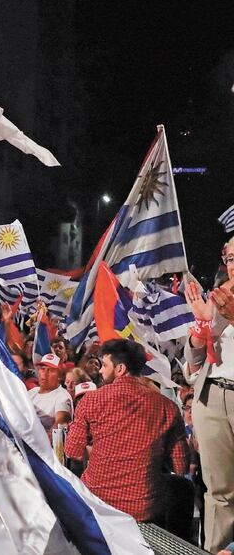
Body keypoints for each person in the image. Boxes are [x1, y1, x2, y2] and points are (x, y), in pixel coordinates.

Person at [65, 338, 189, 526]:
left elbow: (72, 451)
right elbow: (181, 465)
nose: (100, 370)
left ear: (120, 369)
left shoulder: (91, 400)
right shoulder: (168, 407)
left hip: (96, 502)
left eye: (104, 365)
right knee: (183, 488)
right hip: (143, 509)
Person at [184, 237, 234, 552]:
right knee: (218, 492)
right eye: (230, 257)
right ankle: (217, 549)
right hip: (212, 395)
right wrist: (200, 332)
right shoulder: (219, 296)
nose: (233, 264)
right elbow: (194, 365)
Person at [27, 353, 72, 434]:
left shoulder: (62, 396)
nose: (45, 373)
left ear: (59, 376)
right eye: (43, 369)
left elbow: (60, 424)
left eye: (51, 370)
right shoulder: (32, 392)